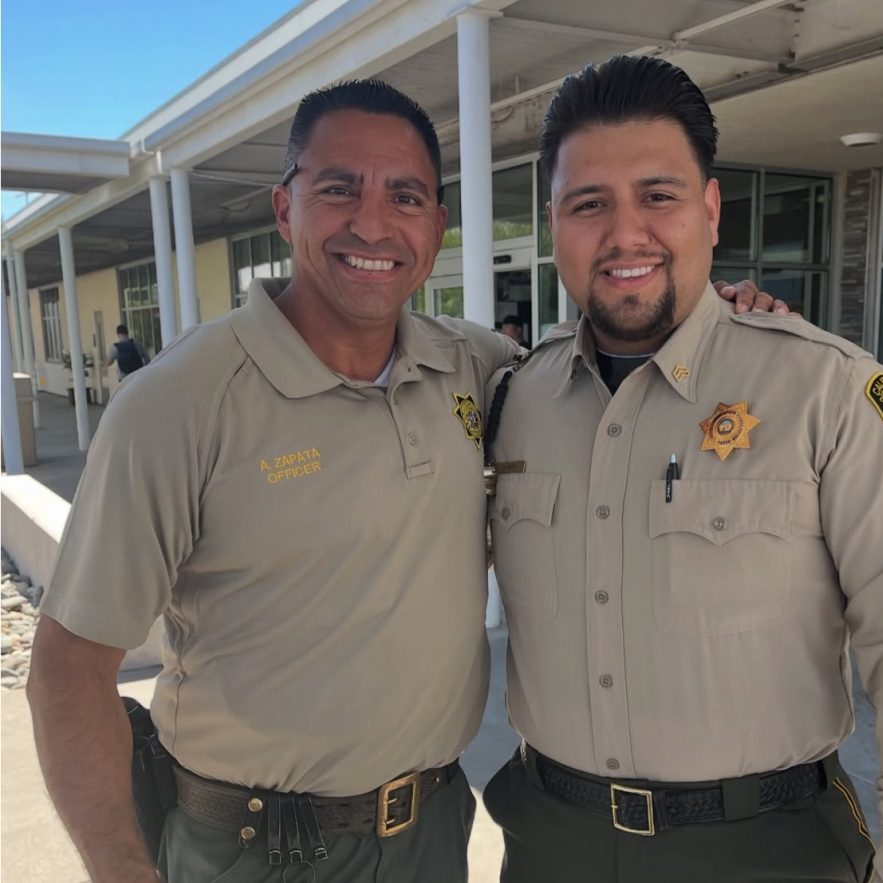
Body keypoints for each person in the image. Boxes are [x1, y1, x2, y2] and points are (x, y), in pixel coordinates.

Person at [26, 78, 777, 883]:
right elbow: (69, 668)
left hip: (431, 831)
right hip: (253, 850)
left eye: (406, 196)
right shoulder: (179, 402)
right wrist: (122, 869)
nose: (373, 223)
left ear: (436, 227)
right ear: (285, 208)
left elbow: (614, 370)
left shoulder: (479, 367)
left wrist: (726, 317)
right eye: (338, 189)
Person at [482, 56, 883, 883]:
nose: (625, 233)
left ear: (711, 209)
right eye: (589, 203)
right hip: (551, 844)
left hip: (768, 850)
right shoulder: (512, 397)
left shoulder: (825, 388)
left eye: (658, 195)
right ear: (553, 223)